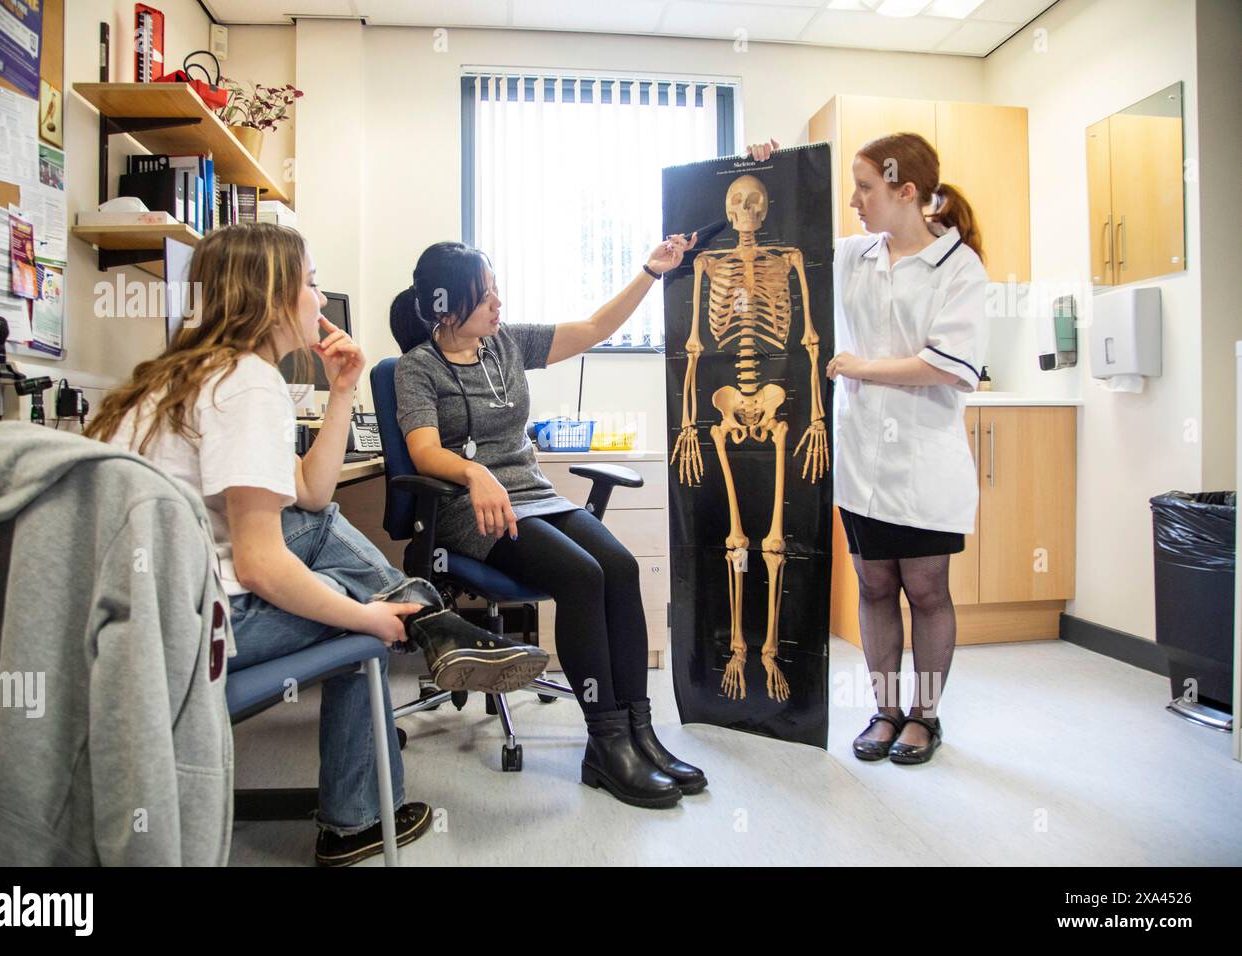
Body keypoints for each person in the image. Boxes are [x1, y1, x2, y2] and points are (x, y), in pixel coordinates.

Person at [85, 223, 547, 865]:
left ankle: (426, 618)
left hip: (137, 616)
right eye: (309, 283)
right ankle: (357, 817)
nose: (321, 300)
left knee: (319, 526)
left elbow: (309, 494)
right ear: (271, 294)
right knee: (353, 622)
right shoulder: (247, 383)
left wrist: (342, 391)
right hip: (189, 631)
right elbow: (260, 563)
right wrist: (367, 617)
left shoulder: (177, 376)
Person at [391, 238, 709, 809]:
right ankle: (606, 745)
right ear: (444, 306)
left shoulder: (506, 345)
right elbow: (422, 451)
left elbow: (592, 327)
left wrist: (648, 273)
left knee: (619, 565)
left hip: (534, 494)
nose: (497, 302)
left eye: (494, 289)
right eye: (482, 294)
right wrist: (473, 474)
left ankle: (641, 733)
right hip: (472, 509)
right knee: (582, 576)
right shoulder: (417, 368)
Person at [748, 135, 988, 764]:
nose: (853, 201)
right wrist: (771, 166)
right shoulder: (856, 254)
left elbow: (949, 365)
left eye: (865, 189)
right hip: (862, 459)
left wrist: (861, 367)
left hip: (924, 459)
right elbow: (781, 239)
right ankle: (884, 711)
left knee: (928, 590)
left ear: (905, 192)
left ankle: (924, 717)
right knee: (875, 585)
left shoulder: (957, 266)